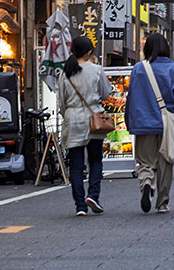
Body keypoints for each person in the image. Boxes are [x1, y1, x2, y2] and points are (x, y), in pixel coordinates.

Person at [125, 33, 174, 213]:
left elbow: (130, 97)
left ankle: (146, 183)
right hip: (167, 123)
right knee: (165, 162)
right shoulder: (173, 69)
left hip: (143, 122)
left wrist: (129, 120)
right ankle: (162, 202)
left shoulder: (138, 68)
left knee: (145, 161)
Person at [57, 36, 111, 216]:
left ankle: (80, 206)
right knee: (95, 160)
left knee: (76, 165)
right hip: (93, 118)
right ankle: (93, 195)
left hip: (73, 119)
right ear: (89, 51)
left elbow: (62, 102)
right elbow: (105, 93)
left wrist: (67, 114)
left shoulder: (65, 72)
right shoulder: (96, 70)